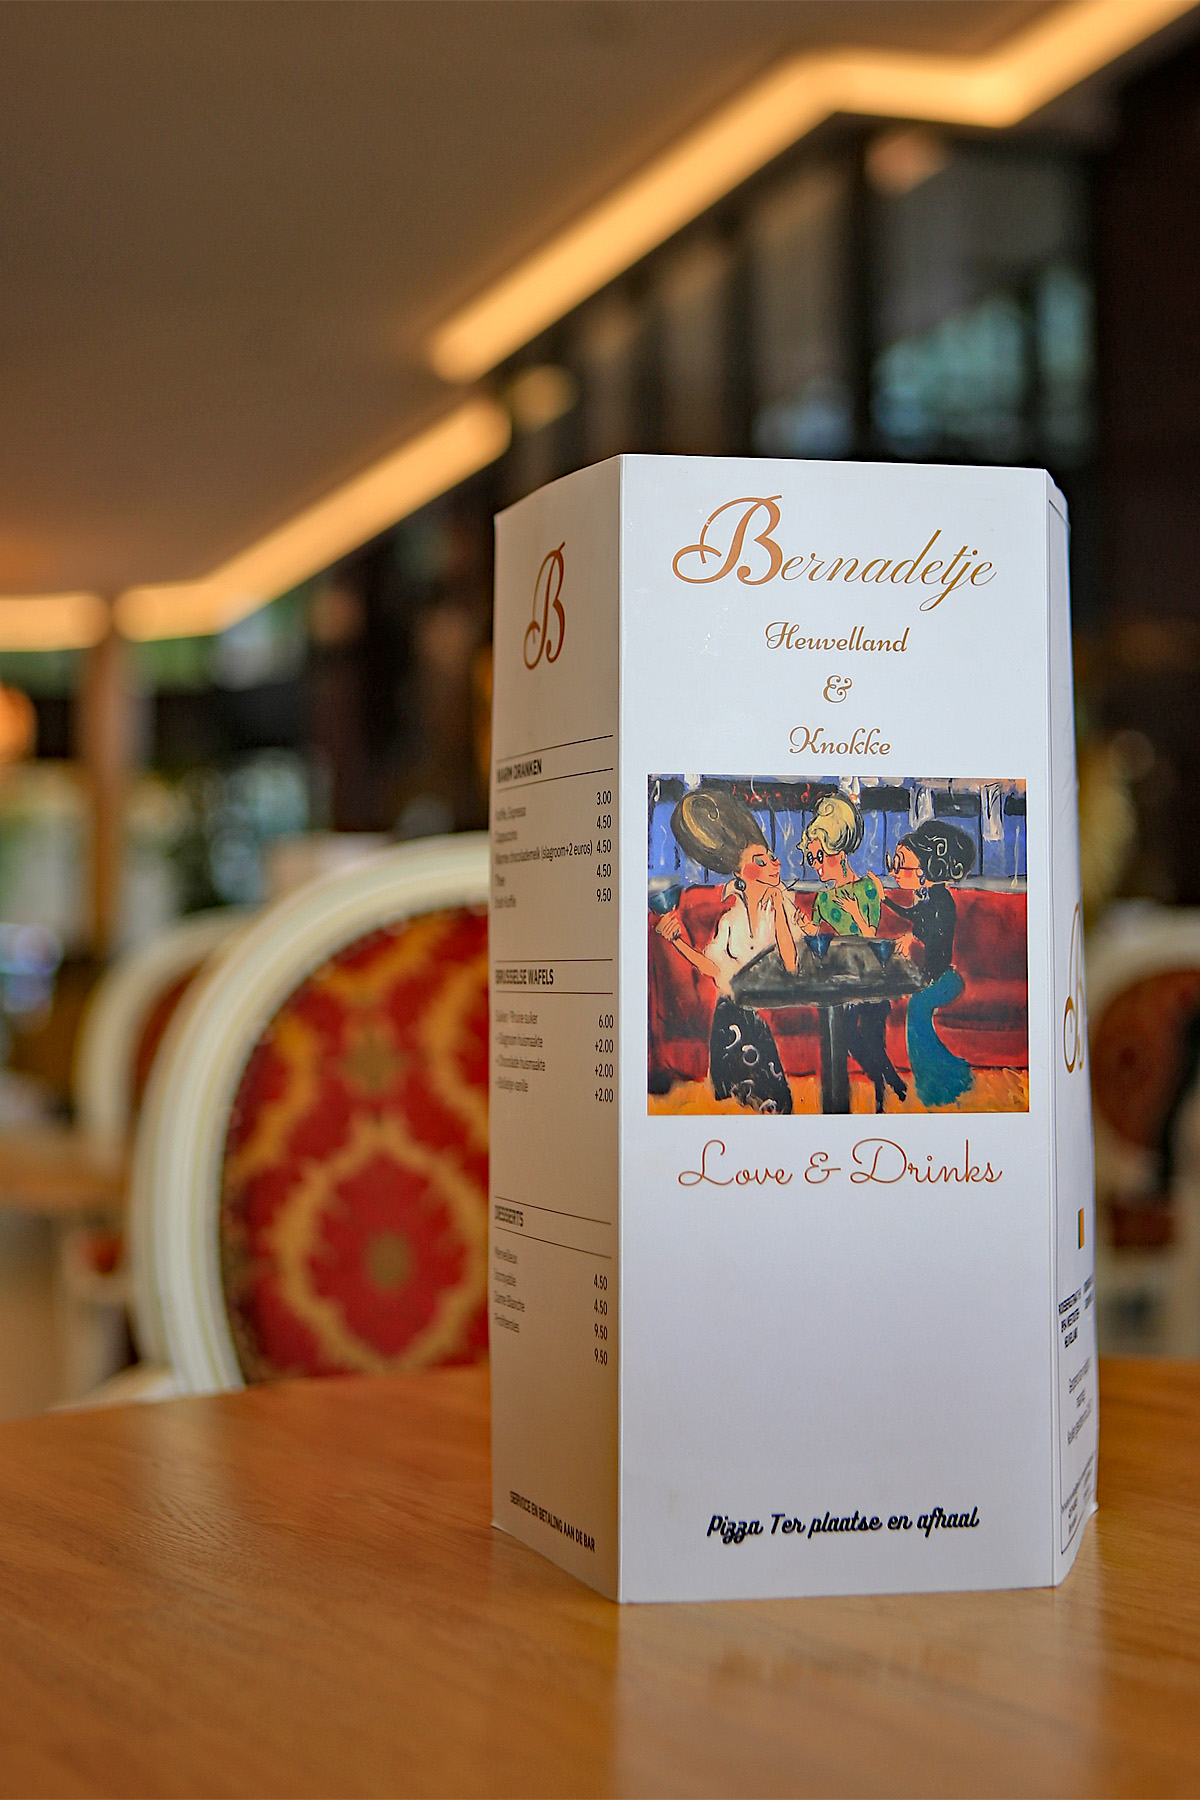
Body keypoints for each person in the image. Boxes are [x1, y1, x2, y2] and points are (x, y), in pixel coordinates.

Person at [655, 790, 798, 1113]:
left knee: (778, 1101)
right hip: (732, 1014)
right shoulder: (730, 920)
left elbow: (791, 964)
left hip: (762, 1011)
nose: (773, 863)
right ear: (741, 872)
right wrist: (677, 941)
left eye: (771, 857)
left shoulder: (783, 906)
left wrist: (778, 907)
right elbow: (713, 969)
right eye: (759, 861)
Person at [798, 792, 906, 1112]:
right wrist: (799, 923)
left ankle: (882, 1097)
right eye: (812, 859)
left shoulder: (868, 887)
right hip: (843, 980)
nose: (817, 866)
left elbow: (871, 938)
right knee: (843, 1035)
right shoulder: (822, 900)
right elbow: (815, 934)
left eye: (821, 856)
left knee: (873, 1038)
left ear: (840, 853)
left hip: (873, 978)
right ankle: (889, 1077)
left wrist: (856, 913)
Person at [886, 819, 975, 1106]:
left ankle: (942, 1078)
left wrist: (911, 933)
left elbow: (929, 926)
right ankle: (936, 1079)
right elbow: (917, 918)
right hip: (935, 977)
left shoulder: (942, 900)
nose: (895, 872)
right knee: (917, 1011)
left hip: (945, 979)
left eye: (901, 865)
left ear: (926, 870)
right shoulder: (931, 898)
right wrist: (887, 902)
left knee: (917, 1009)